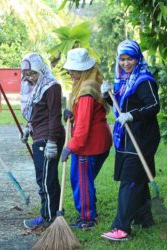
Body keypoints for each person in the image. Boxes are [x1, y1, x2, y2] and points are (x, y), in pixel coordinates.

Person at [100, 40, 160, 241]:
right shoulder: (124, 80)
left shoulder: (144, 80)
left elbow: (153, 106)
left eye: (130, 59)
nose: (126, 63)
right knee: (138, 178)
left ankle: (121, 227)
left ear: (137, 58)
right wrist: (107, 96)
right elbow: (119, 108)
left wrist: (132, 115)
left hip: (142, 137)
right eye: (122, 59)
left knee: (130, 180)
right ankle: (144, 218)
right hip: (127, 136)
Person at [61, 48, 112, 229]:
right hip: (99, 141)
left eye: (73, 70)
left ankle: (87, 218)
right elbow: (87, 115)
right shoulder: (92, 82)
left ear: (83, 70)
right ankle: (90, 212)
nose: (70, 73)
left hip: (89, 144)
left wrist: (70, 147)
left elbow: (83, 127)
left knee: (80, 180)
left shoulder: (86, 90)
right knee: (84, 179)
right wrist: (71, 115)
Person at [20, 53, 65, 229]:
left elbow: (54, 116)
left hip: (48, 138)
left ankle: (47, 217)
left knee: (45, 180)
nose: (29, 78)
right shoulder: (34, 88)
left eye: (32, 73)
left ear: (40, 69)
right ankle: (54, 214)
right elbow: (36, 114)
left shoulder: (51, 87)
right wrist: (28, 127)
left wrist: (52, 142)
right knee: (49, 178)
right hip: (38, 135)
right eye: (26, 74)